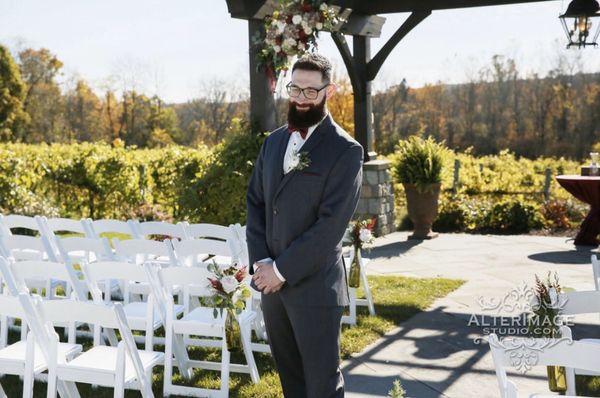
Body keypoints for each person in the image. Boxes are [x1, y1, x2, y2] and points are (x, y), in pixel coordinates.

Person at [246, 52, 364, 398]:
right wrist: (262, 263)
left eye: (310, 91)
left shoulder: (345, 151)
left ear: (329, 91)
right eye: (294, 89)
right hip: (272, 288)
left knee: (321, 385)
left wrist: (281, 270)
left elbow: (330, 227)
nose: (299, 99)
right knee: (291, 383)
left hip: (315, 288)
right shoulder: (273, 142)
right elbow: (256, 203)